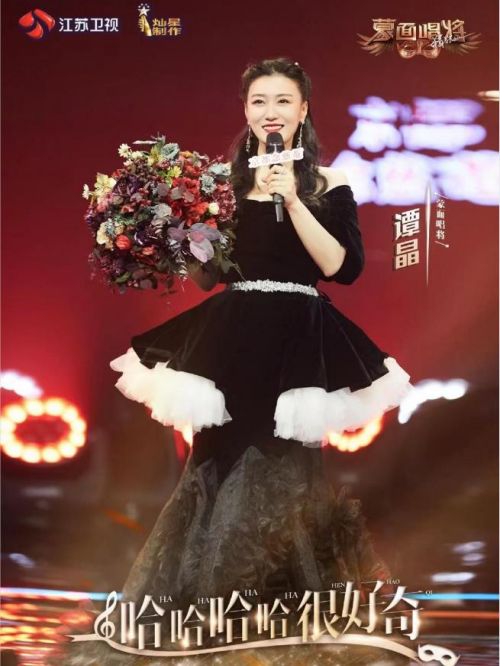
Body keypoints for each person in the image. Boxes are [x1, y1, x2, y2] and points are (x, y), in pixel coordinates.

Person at [63, 57, 413, 665]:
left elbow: (343, 267)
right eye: (259, 101)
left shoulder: (328, 183)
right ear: (246, 111)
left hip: (297, 348)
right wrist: (176, 232)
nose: (270, 112)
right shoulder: (219, 185)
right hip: (232, 343)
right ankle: (203, 626)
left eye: (282, 101)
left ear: (303, 111)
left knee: (288, 474)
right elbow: (208, 278)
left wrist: (292, 199)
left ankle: (285, 627)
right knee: (214, 468)